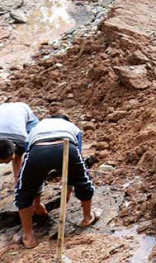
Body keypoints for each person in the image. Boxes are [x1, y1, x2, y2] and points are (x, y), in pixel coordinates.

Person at [15, 115, 98, 250]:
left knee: (24, 190)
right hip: (66, 146)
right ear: (66, 120)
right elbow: (76, 164)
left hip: (38, 150)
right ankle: (87, 217)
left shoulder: (36, 128)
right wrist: (69, 189)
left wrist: (37, 203)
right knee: (83, 180)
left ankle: (28, 237)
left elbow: (32, 168)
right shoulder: (73, 128)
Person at [0, 102, 40, 197]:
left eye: (8, 161)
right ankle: (18, 182)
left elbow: (34, 163)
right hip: (3, 110)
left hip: (22, 110)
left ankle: (20, 183)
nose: (6, 164)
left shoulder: (25, 140)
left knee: (38, 142)